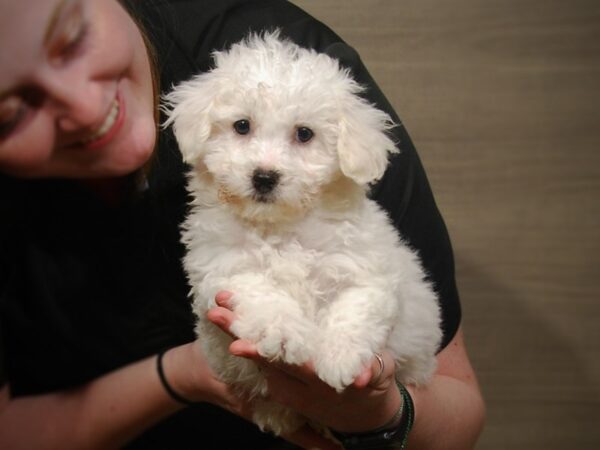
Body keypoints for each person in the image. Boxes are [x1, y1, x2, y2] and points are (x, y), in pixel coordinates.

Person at [0, 0, 485, 449]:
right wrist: (185, 374)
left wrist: (376, 414)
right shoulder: (213, 183)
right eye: (11, 111)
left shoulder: (301, 64)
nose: (84, 110)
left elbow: (456, 404)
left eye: (71, 36)